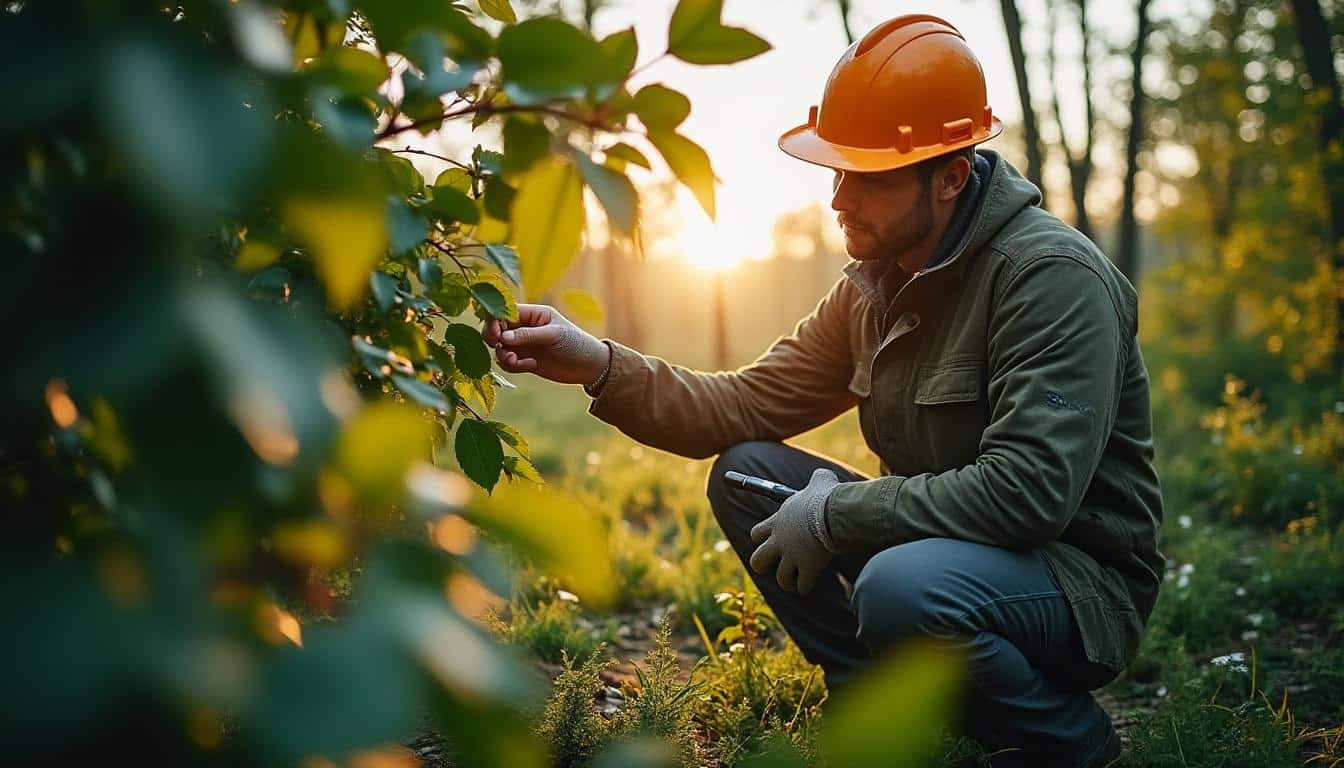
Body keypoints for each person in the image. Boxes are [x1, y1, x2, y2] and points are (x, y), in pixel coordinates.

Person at [483, 13, 1161, 767]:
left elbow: (1029, 494)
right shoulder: (874, 287)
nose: (838, 197)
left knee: (900, 588)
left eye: (866, 176)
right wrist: (599, 364)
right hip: (955, 558)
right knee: (749, 473)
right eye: (836, 170)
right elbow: (739, 406)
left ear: (950, 177)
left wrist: (838, 514)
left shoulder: (1050, 279)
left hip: (1075, 589)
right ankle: (877, 710)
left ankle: (1065, 742)